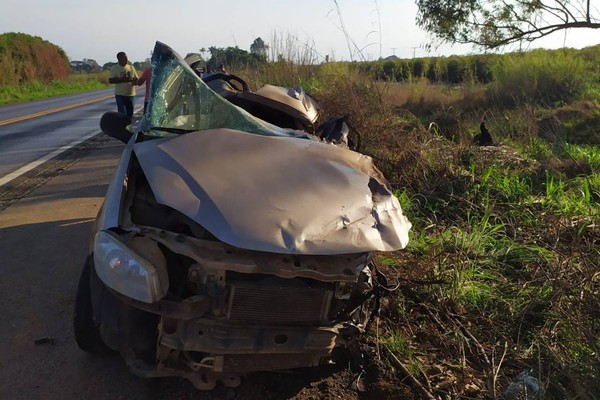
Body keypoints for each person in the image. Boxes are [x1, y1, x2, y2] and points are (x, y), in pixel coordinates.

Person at [108, 52, 138, 118]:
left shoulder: (131, 67)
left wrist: (134, 81)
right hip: (120, 94)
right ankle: (122, 127)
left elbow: (136, 79)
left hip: (131, 94)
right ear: (119, 59)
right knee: (122, 114)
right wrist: (122, 79)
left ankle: (128, 127)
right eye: (124, 58)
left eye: (126, 58)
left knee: (130, 114)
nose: (126, 60)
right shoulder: (114, 68)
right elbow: (111, 80)